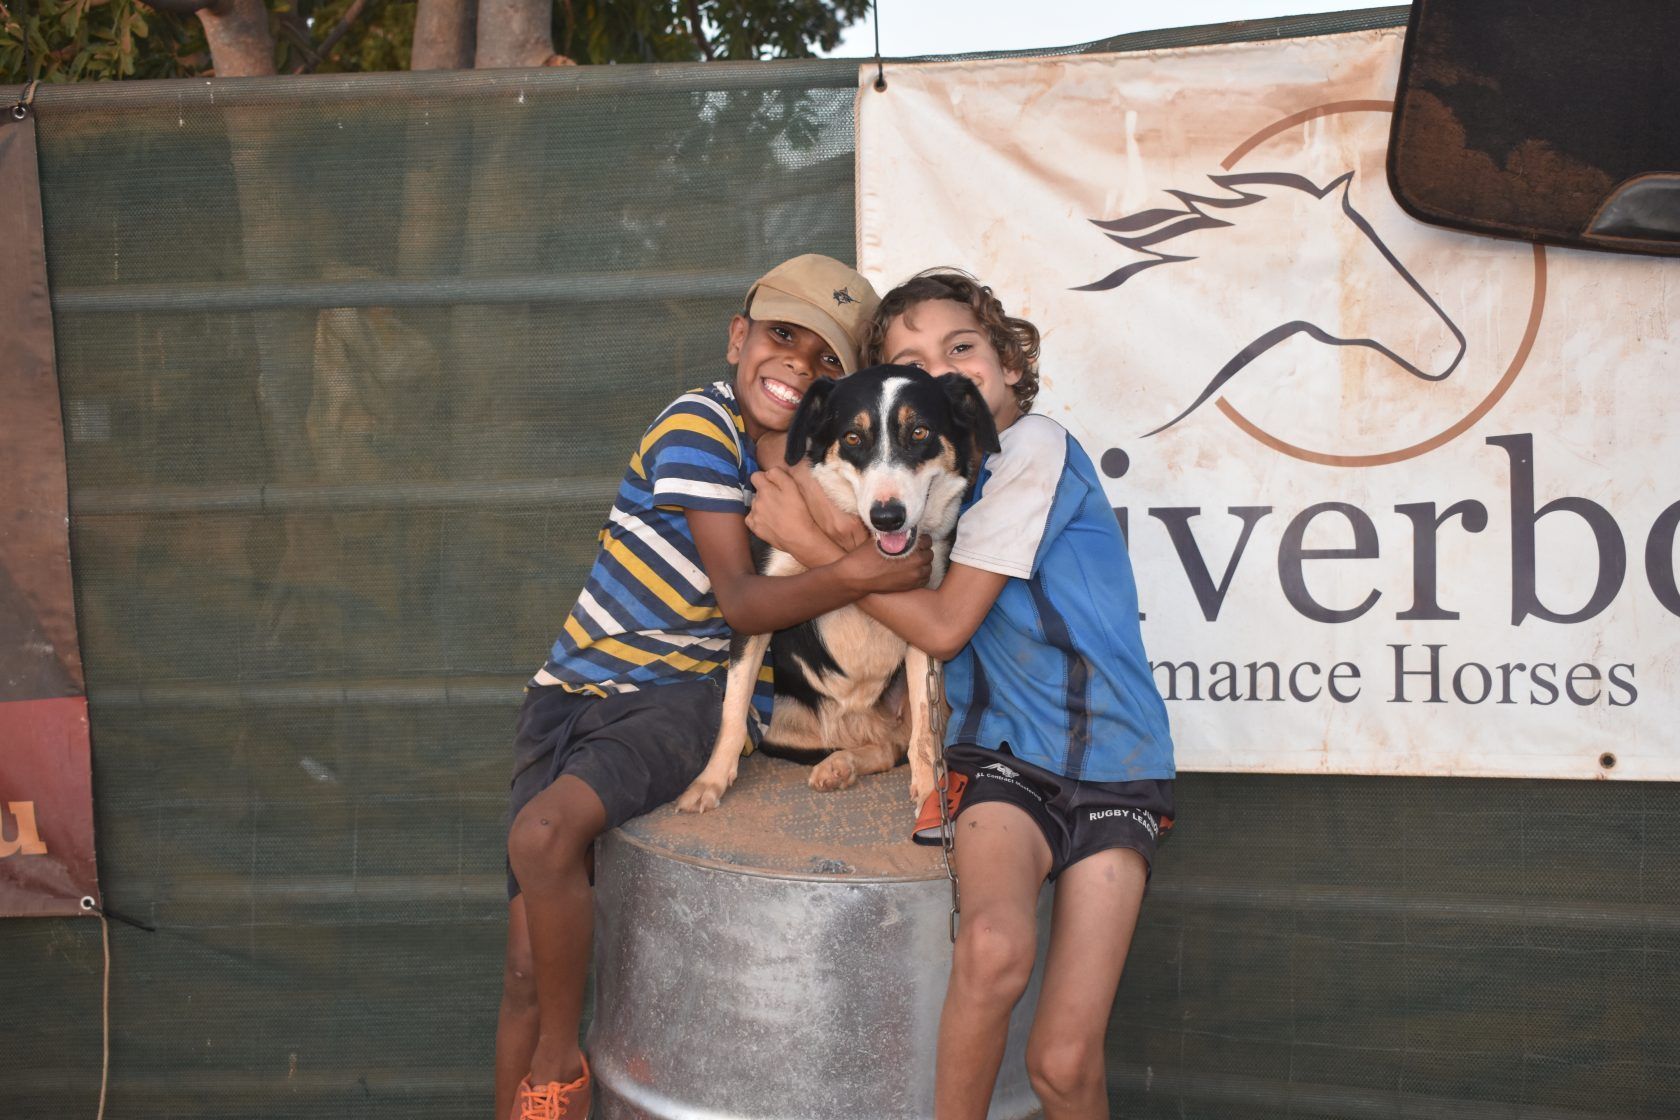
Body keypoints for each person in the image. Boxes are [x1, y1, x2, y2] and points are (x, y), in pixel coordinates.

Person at [496, 255, 931, 1120]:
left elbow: (745, 617)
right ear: (739, 337)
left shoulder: (810, 457)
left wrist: (833, 539)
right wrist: (853, 570)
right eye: (781, 337)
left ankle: (559, 1072)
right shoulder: (697, 423)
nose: (798, 365)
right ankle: (523, 1082)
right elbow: (743, 595)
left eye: (824, 361)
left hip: (675, 694)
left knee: (544, 837)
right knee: (520, 964)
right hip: (569, 687)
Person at [746, 271, 1175, 1120]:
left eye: (963, 348)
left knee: (1059, 1064)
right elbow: (875, 548)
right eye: (913, 359)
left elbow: (939, 626)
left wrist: (810, 544)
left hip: (1113, 759)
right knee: (990, 948)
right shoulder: (935, 478)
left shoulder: (1032, 452)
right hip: (1003, 761)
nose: (945, 368)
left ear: (1010, 365)